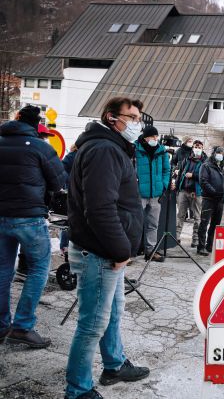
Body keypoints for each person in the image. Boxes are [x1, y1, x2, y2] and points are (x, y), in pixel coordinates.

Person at [65, 97, 149, 399]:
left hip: (105, 250)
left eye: (139, 117)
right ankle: (78, 390)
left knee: (113, 312)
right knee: (92, 324)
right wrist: (120, 250)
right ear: (113, 118)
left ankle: (113, 364)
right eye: (133, 117)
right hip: (100, 252)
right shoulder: (104, 150)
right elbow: (100, 209)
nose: (138, 123)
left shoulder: (111, 147)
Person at [0, 105, 67, 348]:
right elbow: (59, 181)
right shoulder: (40, 147)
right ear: (35, 125)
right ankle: (22, 326)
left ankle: (1, 325)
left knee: (2, 271)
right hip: (29, 216)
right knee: (39, 269)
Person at [135, 125, 170, 262]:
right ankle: (130, 252)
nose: (155, 139)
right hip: (139, 194)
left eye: (156, 136)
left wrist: (163, 185)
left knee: (153, 224)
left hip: (156, 194)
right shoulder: (135, 149)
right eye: (152, 136)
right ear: (145, 137)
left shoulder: (161, 151)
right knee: (135, 223)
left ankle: (150, 251)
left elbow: (166, 170)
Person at [176, 140, 205, 247]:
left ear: (202, 148)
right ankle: (176, 237)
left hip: (196, 193)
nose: (197, 148)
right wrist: (177, 187)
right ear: (192, 148)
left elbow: (204, 177)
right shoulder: (187, 160)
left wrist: (193, 175)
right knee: (180, 215)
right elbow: (180, 174)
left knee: (197, 217)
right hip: (184, 191)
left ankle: (195, 239)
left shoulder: (205, 162)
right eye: (195, 146)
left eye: (199, 146)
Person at [197, 146, 224, 256]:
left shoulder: (220, 167)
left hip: (220, 200)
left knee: (215, 224)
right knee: (204, 222)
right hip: (209, 198)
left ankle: (210, 245)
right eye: (219, 153)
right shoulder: (206, 165)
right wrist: (214, 192)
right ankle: (201, 246)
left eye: (222, 153)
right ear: (213, 153)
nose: (220, 155)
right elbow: (203, 181)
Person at [59, 144, 78, 256]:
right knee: (70, 220)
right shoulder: (73, 156)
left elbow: (61, 170)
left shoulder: (71, 155)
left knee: (68, 220)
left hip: (70, 192)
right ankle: (66, 246)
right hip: (73, 192)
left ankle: (65, 247)